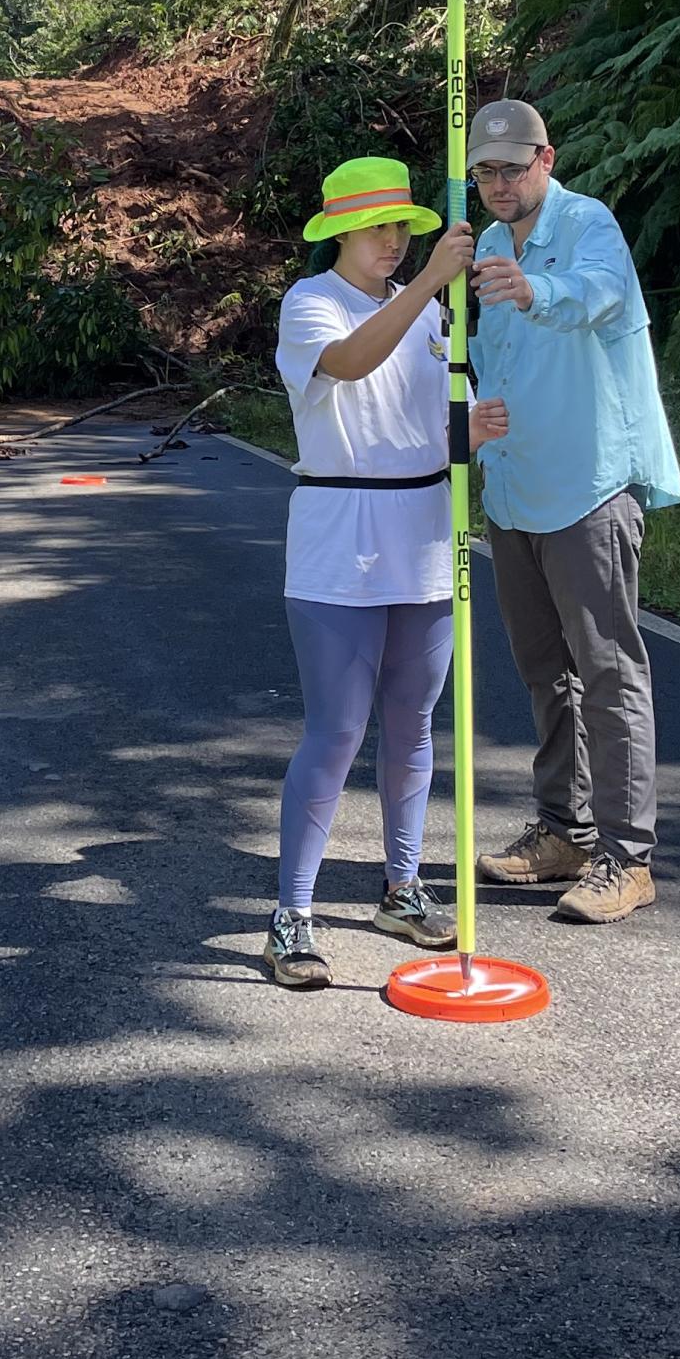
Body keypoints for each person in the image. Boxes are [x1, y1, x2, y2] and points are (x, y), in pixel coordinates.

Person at [262, 154, 508, 990]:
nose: (395, 241)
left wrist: (473, 430)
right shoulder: (311, 304)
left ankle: (402, 888)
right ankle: (291, 914)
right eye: (378, 228)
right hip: (339, 538)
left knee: (414, 724)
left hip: (425, 534)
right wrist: (429, 285)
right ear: (338, 231)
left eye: (402, 227)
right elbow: (351, 365)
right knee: (337, 730)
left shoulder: (436, 315)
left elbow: (431, 429)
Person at [464, 100, 680, 925]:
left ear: (545, 160)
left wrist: (535, 287)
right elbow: (487, 356)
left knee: (608, 670)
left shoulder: (591, 224)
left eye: (511, 168)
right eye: (485, 171)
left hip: (588, 488)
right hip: (515, 490)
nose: (498, 184)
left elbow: (598, 295)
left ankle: (629, 857)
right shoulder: (485, 244)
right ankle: (565, 830)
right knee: (542, 671)